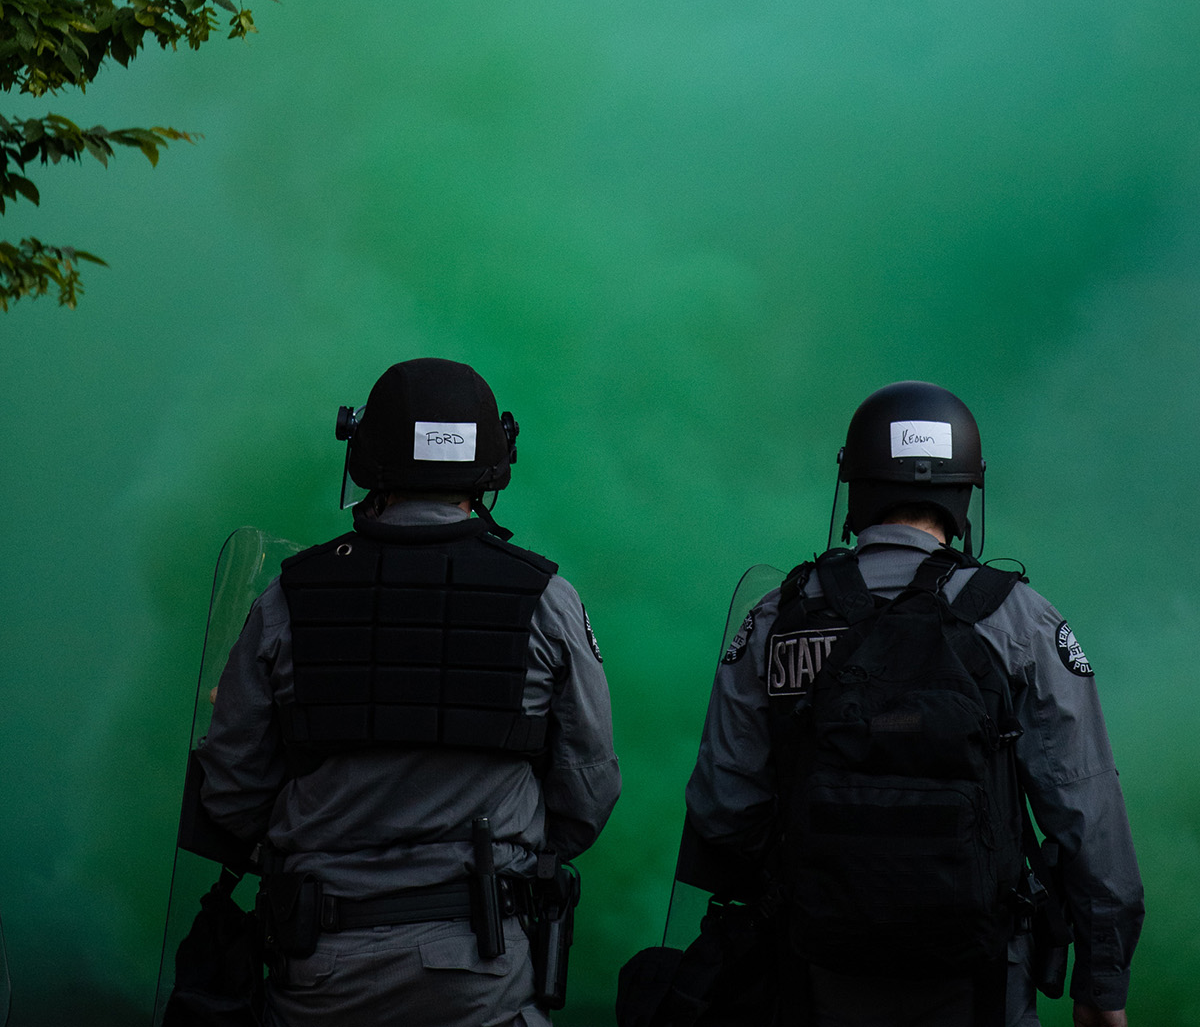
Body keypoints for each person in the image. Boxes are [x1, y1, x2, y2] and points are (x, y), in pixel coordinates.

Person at [684, 381, 1143, 1027]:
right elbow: (1086, 814)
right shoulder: (1020, 621)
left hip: (811, 978)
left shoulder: (775, 621)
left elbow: (720, 809)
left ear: (855, 486)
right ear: (964, 494)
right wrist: (1101, 982)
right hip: (980, 986)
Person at [197, 357, 620, 1027]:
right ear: (493, 460)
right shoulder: (548, 599)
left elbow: (230, 789)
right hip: (483, 976)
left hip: (318, 973)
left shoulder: (287, 597)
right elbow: (589, 791)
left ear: (366, 453)